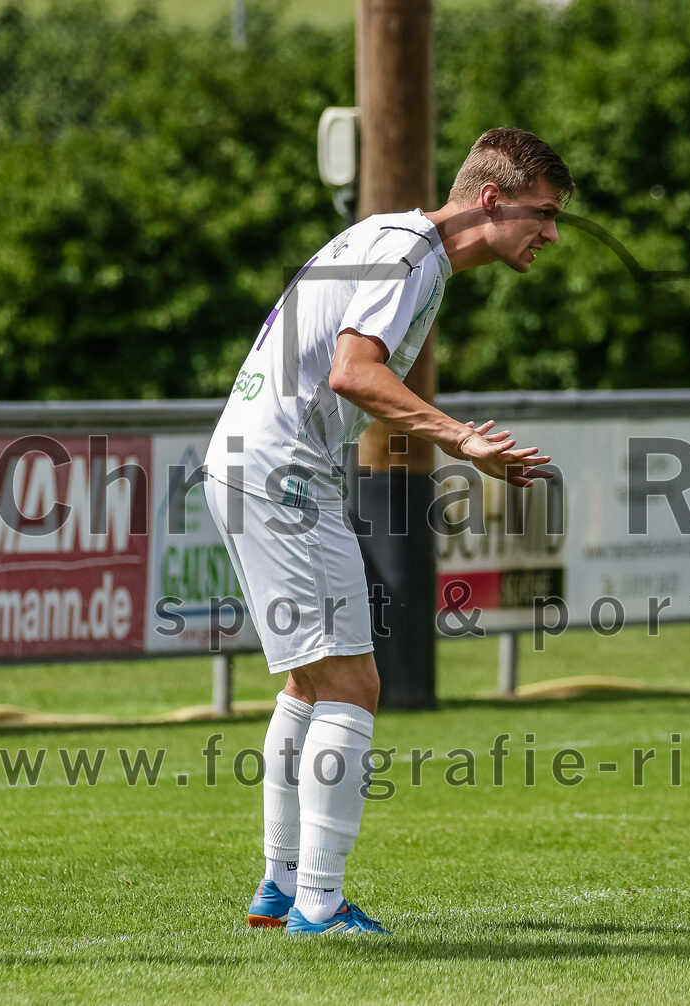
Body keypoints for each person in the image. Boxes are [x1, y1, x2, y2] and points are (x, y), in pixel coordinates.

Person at [203, 128, 573, 934]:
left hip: (252, 459)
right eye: (542, 214)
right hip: (281, 469)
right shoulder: (412, 251)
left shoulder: (398, 240)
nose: (550, 232)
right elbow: (353, 370)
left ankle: (279, 888)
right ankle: (321, 906)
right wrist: (459, 437)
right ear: (491, 199)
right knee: (355, 686)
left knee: (309, 682)